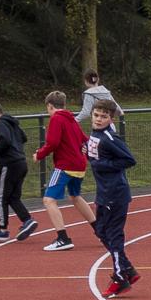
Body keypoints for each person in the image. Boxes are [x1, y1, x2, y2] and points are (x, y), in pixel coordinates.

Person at [85, 99, 140, 297]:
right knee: (100, 231)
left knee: (114, 235)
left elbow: (128, 159)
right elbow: (94, 156)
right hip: (103, 192)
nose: (99, 119)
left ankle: (120, 277)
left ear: (111, 118)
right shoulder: (95, 135)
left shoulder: (109, 138)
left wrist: (103, 164)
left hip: (115, 194)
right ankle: (127, 269)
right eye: (96, 115)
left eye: (104, 117)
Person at [35, 88, 94, 250]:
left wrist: (39, 155)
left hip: (65, 165)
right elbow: (85, 140)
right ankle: (99, 229)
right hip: (79, 165)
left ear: (49, 106)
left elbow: (52, 143)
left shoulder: (57, 119)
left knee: (49, 200)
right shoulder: (72, 119)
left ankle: (63, 238)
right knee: (75, 196)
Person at [0, 101, 36, 242]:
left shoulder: (0, 124)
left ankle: (2, 229)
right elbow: (23, 138)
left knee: (1, 198)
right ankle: (27, 220)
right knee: (13, 197)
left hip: (9, 164)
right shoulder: (12, 122)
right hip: (21, 163)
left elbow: (5, 141)